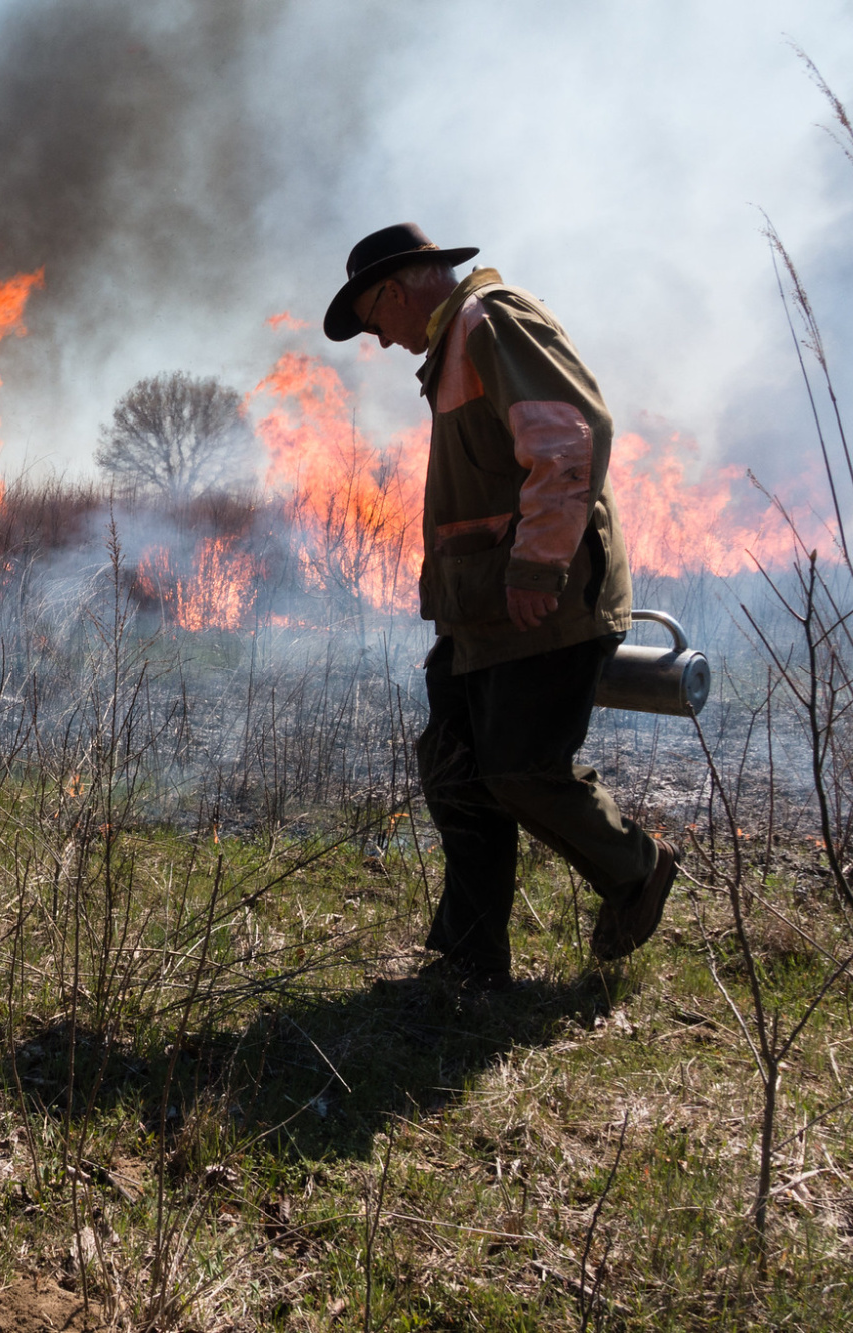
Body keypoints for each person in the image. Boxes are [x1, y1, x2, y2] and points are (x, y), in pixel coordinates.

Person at [322, 223, 677, 990]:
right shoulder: (455, 344)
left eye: (372, 319)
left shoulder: (492, 321)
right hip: (481, 611)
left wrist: (539, 565)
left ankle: (636, 869)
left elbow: (569, 438)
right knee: (453, 767)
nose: (379, 341)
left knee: (518, 767)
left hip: (541, 602)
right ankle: (469, 961)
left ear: (396, 290)